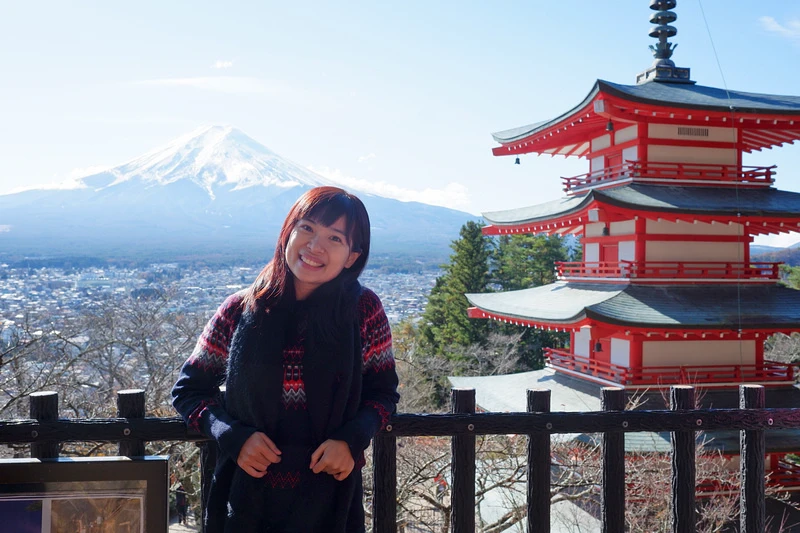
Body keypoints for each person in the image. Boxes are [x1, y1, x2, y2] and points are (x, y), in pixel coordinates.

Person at [172, 186, 400, 533]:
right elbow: (188, 391)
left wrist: (351, 440)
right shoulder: (240, 309)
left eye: (335, 238)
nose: (315, 246)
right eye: (306, 228)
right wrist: (232, 435)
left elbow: (383, 395)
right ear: (287, 232)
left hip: (330, 500)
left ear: (352, 256)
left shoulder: (363, 311)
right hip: (245, 496)